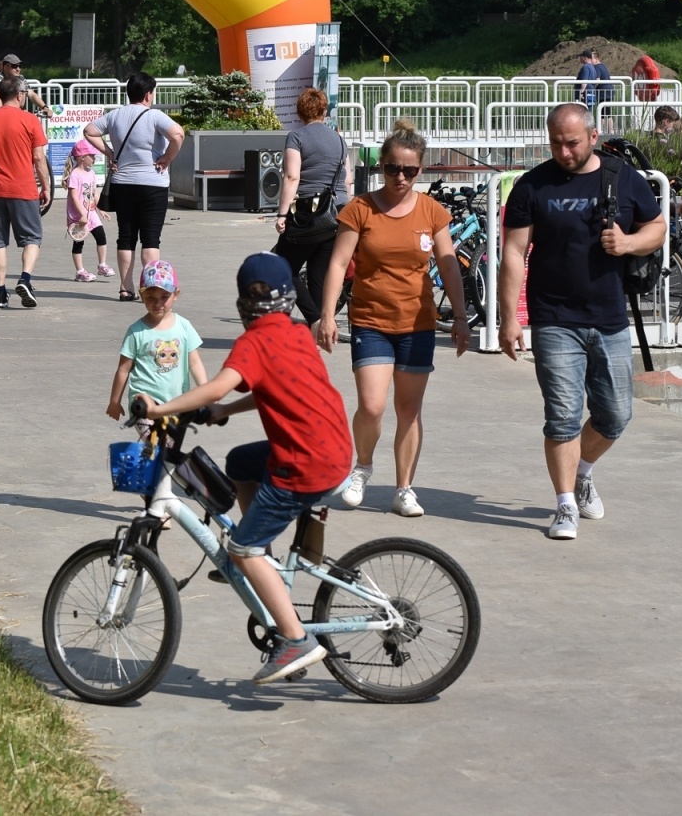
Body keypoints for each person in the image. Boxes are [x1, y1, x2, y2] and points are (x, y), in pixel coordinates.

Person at [136, 252, 352, 684]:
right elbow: (271, 387)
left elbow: (215, 384)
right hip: (333, 449)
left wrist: (162, 409)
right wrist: (225, 411)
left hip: (303, 464)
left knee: (240, 548)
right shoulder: (295, 332)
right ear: (289, 297)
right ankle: (265, 559)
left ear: (242, 303)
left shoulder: (253, 342)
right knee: (239, 462)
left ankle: (295, 639)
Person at [496, 103, 666, 540]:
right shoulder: (533, 185)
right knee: (564, 416)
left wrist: (628, 243)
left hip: (609, 317)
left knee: (614, 416)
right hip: (554, 318)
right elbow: (514, 253)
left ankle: (583, 473)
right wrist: (507, 318)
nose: (564, 152)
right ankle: (565, 505)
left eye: (571, 143)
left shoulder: (622, 178)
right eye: (555, 143)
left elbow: (658, 228)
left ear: (592, 136)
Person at [317, 119, 470, 519]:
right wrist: (327, 315)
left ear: (420, 170)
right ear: (381, 165)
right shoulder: (360, 210)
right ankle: (363, 467)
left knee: (409, 410)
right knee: (371, 406)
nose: (400, 177)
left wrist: (461, 317)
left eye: (409, 170)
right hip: (370, 321)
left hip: (418, 323)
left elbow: (449, 266)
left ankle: (404, 488)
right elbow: (337, 264)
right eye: (392, 168)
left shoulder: (432, 211)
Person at [83, 72, 186, 302]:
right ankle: (150, 287)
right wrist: (167, 158)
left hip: (123, 183)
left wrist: (110, 153)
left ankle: (125, 287)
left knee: (126, 237)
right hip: (153, 184)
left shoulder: (115, 115)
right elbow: (178, 134)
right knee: (150, 239)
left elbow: (89, 131)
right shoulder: (155, 116)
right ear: (149, 94)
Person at [273, 87, 352, 323]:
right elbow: (347, 179)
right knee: (319, 275)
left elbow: (291, 177)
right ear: (324, 111)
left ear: (299, 113)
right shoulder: (339, 140)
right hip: (336, 213)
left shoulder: (296, 137)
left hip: (307, 215)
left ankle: (315, 319)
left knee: (281, 266)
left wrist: (282, 214)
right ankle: (319, 330)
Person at [0, 75, 52, 308]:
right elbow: (38, 158)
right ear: (19, 95)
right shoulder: (30, 120)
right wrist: (45, 187)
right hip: (23, 188)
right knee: (32, 238)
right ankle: (25, 278)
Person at [106, 260, 208, 421]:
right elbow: (123, 369)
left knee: (169, 446)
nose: (158, 303)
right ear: (141, 294)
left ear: (176, 294)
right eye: (150, 297)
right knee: (155, 443)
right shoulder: (136, 331)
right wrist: (114, 401)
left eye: (164, 297)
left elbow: (194, 363)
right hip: (143, 405)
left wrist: (205, 391)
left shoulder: (184, 326)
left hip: (177, 403)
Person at [65, 139, 114, 281]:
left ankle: (102, 265)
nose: (94, 158)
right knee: (78, 242)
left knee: (101, 237)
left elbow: (94, 193)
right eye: (91, 156)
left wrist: (101, 209)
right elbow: (74, 197)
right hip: (77, 216)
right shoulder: (75, 175)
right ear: (82, 157)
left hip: (91, 214)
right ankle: (80, 272)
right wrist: (81, 215)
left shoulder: (91, 173)